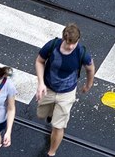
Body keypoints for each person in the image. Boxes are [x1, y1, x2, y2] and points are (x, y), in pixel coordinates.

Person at [35, 23, 95, 156]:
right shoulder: (53, 45)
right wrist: (40, 83)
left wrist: (88, 85)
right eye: (68, 43)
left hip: (67, 93)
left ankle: (51, 152)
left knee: (58, 126)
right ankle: (50, 114)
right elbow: (39, 61)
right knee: (41, 114)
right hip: (49, 88)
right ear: (63, 39)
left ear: (78, 40)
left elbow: (90, 68)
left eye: (74, 43)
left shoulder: (81, 52)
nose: (71, 47)